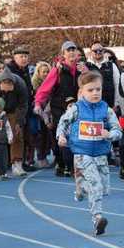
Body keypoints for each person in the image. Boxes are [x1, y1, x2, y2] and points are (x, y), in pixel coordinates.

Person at [56, 71, 122, 236]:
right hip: (81, 153)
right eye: (90, 90)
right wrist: (61, 136)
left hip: (100, 153)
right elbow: (62, 122)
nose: (95, 93)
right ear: (82, 92)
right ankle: (97, 218)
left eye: (98, 89)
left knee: (104, 189)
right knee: (96, 185)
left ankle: (80, 188)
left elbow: (118, 130)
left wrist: (110, 135)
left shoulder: (106, 110)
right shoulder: (76, 109)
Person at [34, 41, 82, 176]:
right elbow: (45, 88)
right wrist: (38, 103)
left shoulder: (82, 68)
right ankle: (61, 163)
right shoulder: (57, 70)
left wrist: (86, 72)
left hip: (77, 108)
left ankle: (71, 166)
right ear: (63, 54)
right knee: (61, 136)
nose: (72, 52)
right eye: (68, 50)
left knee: (76, 136)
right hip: (59, 108)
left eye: (74, 49)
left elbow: (92, 83)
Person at [0, 69, 29, 177]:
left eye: (9, 91)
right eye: (4, 91)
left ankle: (17, 163)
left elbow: (23, 105)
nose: (6, 92)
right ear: (0, 84)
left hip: (13, 110)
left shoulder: (20, 84)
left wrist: (19, 122)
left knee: (17, 134)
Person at [6, 46, 37, 171]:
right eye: (21, 56)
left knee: (24, 136)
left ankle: (22, 161)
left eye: (26, 56)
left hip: (25, 107)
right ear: (15, 57)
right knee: (16, 136)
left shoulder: (25, 71)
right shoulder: (10, 71)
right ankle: (13, 162)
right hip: (13, 108)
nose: (24, 59)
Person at [86, 41, 122, 110]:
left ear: (103, 51)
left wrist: (117, 103)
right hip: (91, 106)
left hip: (109, 105)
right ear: (91, 52)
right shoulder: (86, 66)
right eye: (95, 51)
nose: (98, 52)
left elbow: (117, 84)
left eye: (100, 50)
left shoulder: (111, 65)